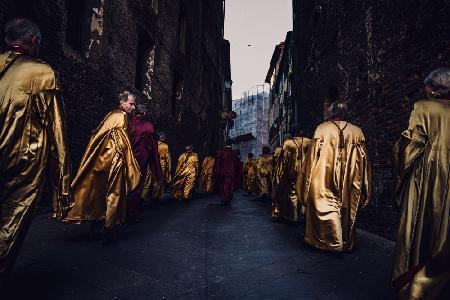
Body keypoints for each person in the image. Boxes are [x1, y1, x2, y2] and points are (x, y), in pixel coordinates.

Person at [0, 18, 72, 281]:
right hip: (22, 159)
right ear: (34, 41)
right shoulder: (42, 73)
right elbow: (57, 128)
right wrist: (61, 184)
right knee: (13, 217)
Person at [391, 68, 450, 296]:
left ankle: (416, 281)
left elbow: (410, 146)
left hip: (429, 176)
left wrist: (398, 165)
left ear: (433, 88)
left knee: (423, 223)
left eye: (426, 86)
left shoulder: (423, 108)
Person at [65, 91, 141, 244]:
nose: (133, 107)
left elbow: (97, 137)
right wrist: (130, 164)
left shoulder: (111, 115)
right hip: (115, 161)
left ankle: (96, 226)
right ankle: (108, 229)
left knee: (100, 191)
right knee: (115, 193)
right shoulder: (122, 117)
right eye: (131, 104)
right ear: (122, 102)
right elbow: (122, 144)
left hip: (101, 161)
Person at [299, 101, 371, 252]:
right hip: (348, 175)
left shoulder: (322, 129)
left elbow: (312, 157)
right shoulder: (357, 131)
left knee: (323, 204)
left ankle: (328, 240)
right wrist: (365, 185)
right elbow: (364, 160)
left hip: (323, 175)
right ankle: (342, 239)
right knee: (345, 206)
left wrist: (305, 181)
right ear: (346, 113)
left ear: (332, 113)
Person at [126, 104, 161, 223]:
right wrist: (155, 167)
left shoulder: (126, 122)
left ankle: (118, 212)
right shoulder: (148, 127)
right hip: (140, 161)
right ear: (144, 113)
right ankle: (131, 214)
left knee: (122, 184)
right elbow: (153, 148)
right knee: (136, 186)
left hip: (125, 159)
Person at [272, 125, 311, 223]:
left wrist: (279, 175)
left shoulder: (288, 143)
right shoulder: (308, 141)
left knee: (293, 192)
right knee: (304, 190)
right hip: (306, 170)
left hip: (292, 171)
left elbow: (283, 160)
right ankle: (303, 214)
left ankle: (294, 216)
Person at [141, 132, 172, 203]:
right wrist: (169, 169)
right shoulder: (165, 146)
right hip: (161, 166)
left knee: (148, 182)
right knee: (158, 182)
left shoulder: (152, 144)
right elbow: (168, 159)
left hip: (151, 165)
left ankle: (142, 197)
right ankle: (154, 197)